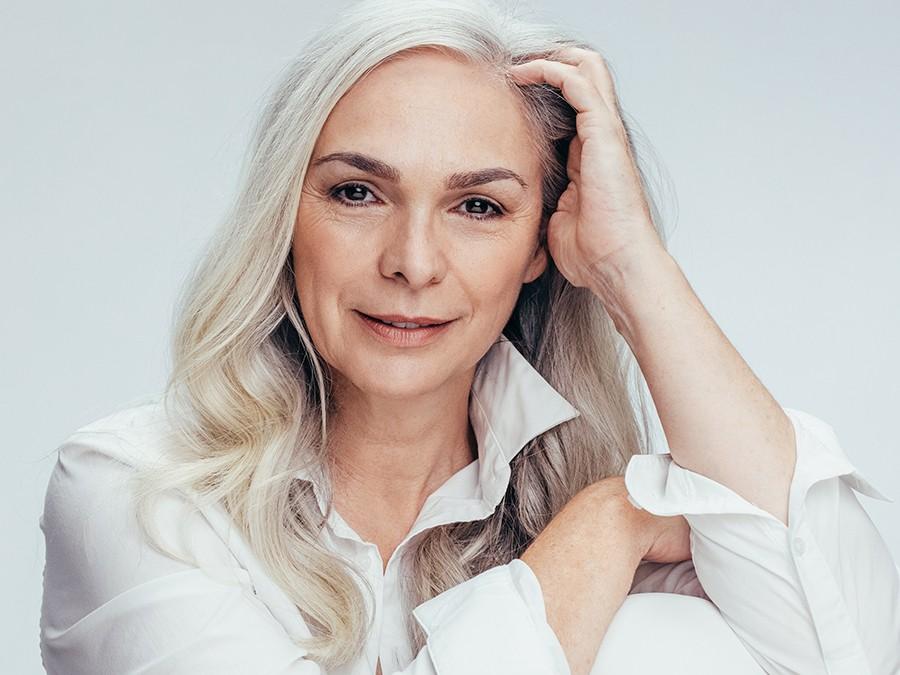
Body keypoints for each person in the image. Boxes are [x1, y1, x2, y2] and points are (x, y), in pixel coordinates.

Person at [38, 0, 900, 673]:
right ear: (284, 215)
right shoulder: (136, 489)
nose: (413, 262)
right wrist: (609, 523)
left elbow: (846, 650)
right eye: (357, 193)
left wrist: (631, 264)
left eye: (478, 206)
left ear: (540, 244)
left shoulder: (577, 504)